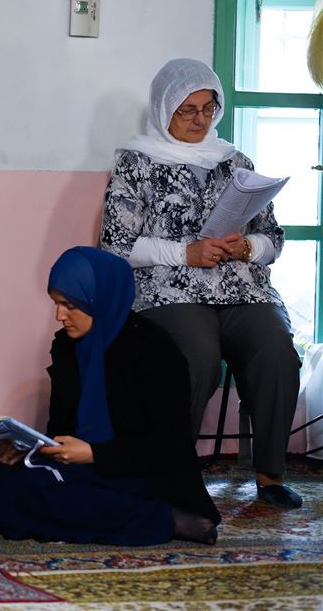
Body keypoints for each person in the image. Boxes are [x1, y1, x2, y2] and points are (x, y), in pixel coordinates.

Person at [100, 58, 302, 509]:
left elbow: (273, 238)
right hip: (170, 289)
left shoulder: (236, 162)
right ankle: (175, 475)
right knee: (197, 355)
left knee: (276, 349)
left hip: (240, 288)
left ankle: (271, 475)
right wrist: (185, 253)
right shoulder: (137, 162)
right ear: (163, 110)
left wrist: (246, 247)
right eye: (186, 111)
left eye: (208, 109)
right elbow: (116, 245)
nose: (199, 120)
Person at [0, 247, 220, 546]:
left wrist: (95, 454)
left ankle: (165, 518)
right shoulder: (68, 347)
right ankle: (130, 515)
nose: (60, 316)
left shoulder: (155, 353)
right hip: (81, 469)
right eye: (56, 304)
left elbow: (169, 446)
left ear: (99, 299)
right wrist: (24, 448)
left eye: (70, 305)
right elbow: (61, 429)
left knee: (31, 494)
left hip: (140, 475)